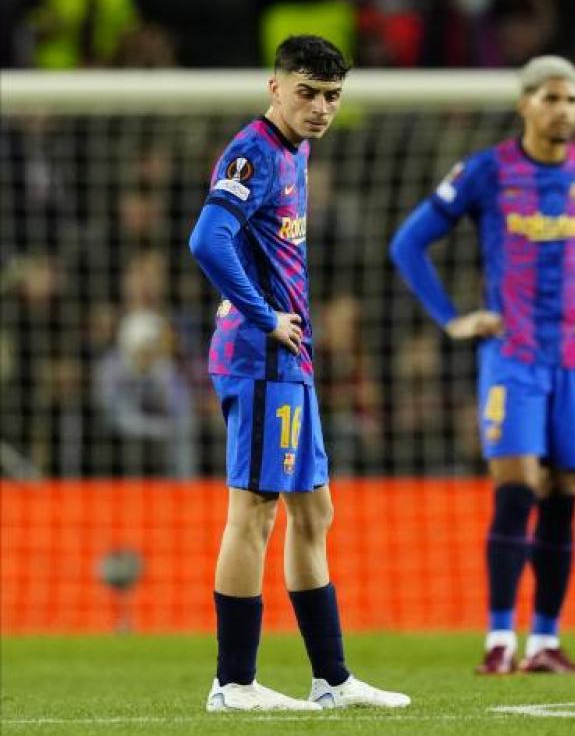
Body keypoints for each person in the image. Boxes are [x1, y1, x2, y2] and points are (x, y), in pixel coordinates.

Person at [390, 55, 575, 674]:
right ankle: (500, 639)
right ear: (524, 104)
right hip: (512, 355)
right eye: (551, 98)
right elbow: (408, 243)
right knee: (517, 488)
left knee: (564, 494)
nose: (563, 110)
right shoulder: (487, 172)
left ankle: (545, 641)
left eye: (572, 100)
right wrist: (451, 318)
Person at [188, 35, 409, 711]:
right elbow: (207, 239)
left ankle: (332, 680)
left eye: (332, 96)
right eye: (307, 92)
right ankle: (234, 683)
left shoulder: (296, 151)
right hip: (260, 357)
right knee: (253, 513)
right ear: (275, 87)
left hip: (290, 359)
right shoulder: (253, 152)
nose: (320, 107)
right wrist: (263, 317)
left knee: (315, 511)